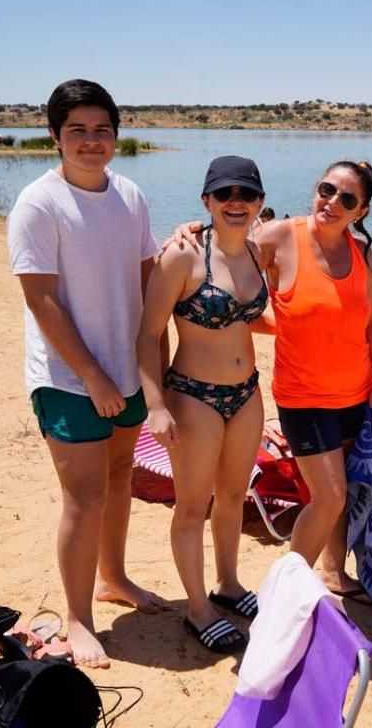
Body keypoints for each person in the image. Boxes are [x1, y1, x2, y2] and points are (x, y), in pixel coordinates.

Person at [170, 160, 372, 603]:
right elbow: (226, 260)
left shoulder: (361, 253)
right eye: (327, 189)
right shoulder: (279, 237)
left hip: (355, 392)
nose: (332, 202)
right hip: (303, 395)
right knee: (330, 496)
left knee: (340, 492)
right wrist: (194, 230)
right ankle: (287, 592)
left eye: (347, 199)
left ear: (361, 211)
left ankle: (333, 571)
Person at [7, 79, 166, 668]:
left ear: (116, 136)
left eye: (102, 130)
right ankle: (77, 617)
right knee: (84, 495)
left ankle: (114, 578)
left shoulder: (129, 195)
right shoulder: (38, 204)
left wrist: (156, 368)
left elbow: (150, 281)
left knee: (121, 477)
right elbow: (41, 300)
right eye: (77, 130)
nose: (91, 141)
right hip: (69, 378)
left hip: (126, 368)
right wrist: (94, 377)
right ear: (55, 135)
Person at [137, 156, 268, 653]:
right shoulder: (182, 256)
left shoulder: (258, 250)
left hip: (247, 393)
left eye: (246, 194)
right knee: (193, 507)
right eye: (224, 193)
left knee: (234, 496)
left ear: (259, 202)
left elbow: (318, 234)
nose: (236, 202)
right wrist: (155, 404)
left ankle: (228, 585)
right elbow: (148, 333)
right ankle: (197, 609)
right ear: (206, 201)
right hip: (194, 396)